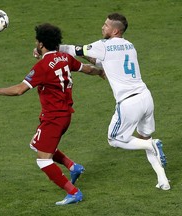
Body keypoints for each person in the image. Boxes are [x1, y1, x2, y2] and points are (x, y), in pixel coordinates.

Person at [0, 23, 105, 205]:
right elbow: (86, 69)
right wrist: (101, 71)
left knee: (43, 160)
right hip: (64, 115)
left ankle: (74, 193)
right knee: (36, 144)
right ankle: (73, 167)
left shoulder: (42, 67)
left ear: (41, 44)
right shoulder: (65, 57)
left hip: (54, 118)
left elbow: (19, 90)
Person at [58, 13, 171, 190]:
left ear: (115, 30)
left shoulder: (104, 45)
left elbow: (74, 49)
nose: (103, 27)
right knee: (144, 137)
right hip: (145, 98)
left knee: (114, 139)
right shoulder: (130, 46)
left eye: (106, 25)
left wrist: (51, 48)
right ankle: (163, 180)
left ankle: (152, 144)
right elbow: (102, 62)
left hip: (128, 103)